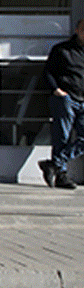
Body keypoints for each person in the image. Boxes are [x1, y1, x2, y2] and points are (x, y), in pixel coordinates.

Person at [39, 18, 84, 190]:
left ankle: (54, 163)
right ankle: (62, 176)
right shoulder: (62, 50)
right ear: (77, 30)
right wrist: (56, 90)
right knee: (62, 136)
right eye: (83, 29)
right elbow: (48, 72)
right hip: (66, 97)